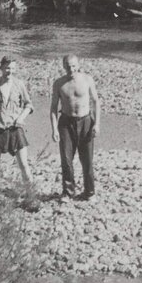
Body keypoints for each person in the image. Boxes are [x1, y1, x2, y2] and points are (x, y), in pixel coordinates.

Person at [50, 54, 100, 200]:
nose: (70, 69)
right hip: (66, 123)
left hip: (85, 122)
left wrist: (97, 124)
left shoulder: (87, 80)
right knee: (66, 160)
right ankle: (68, 192)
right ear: (63, 66)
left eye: (73, 65)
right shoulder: (59, 83)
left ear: (78, 65)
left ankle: (89, 192)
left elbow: (96, 101)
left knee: (87, 160)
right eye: (67, 66)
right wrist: (54, 129)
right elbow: (53, 108)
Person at [0, 56, 35, 195]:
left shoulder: (19, 84)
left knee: (24, 164)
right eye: (7, 68)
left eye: (13, 68)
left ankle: (30, 193)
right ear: (1, 68)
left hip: (15, 128)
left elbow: (28, 104)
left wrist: (21, 117)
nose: (10, 71)